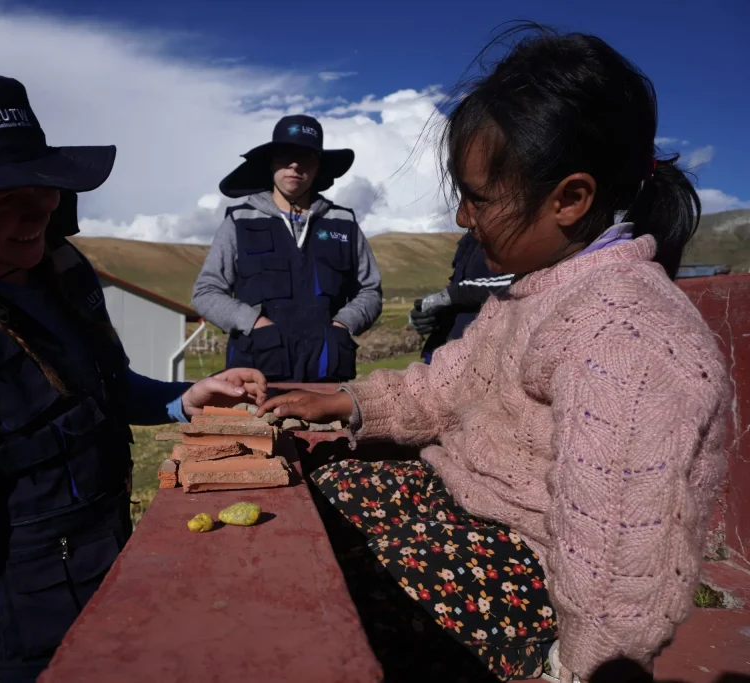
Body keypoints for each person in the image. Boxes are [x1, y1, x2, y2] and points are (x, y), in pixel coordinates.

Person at [256, 26, 729, 683]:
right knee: (320, 495)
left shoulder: (626, 335)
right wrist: (345, 401)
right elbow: (443, 389)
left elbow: (615, 563)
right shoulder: (532, 292)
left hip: (537, 574)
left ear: (570, 199)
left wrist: (580, 668)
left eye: (477, 198)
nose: (462, 219)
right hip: (463, 501)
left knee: (353, 592)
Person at [0, 72, 267, 683]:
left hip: (111, 590)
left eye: (40, 181)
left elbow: (104, 390)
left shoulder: (58, 273)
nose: (39, 207)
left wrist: (182, 398)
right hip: (20, 648)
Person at [192, 114, 382, 383]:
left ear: (318, 166)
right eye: (285, 156)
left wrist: (343, 325)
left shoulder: (344, 223)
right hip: (256, 378)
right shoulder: (239, 221)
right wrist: (254, 323)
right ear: (271, 162)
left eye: (305, 157)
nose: (295, 164)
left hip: (327, 379)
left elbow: (370, 290)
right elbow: (206, 292)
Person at [410, 230, 513, 363]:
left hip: (480, 357)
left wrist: (453, 294)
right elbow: (460, 299)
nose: (461, 221)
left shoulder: (519, 234)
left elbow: (518, 282)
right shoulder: (470, 241)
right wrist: (434, 315)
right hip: (442, 354)